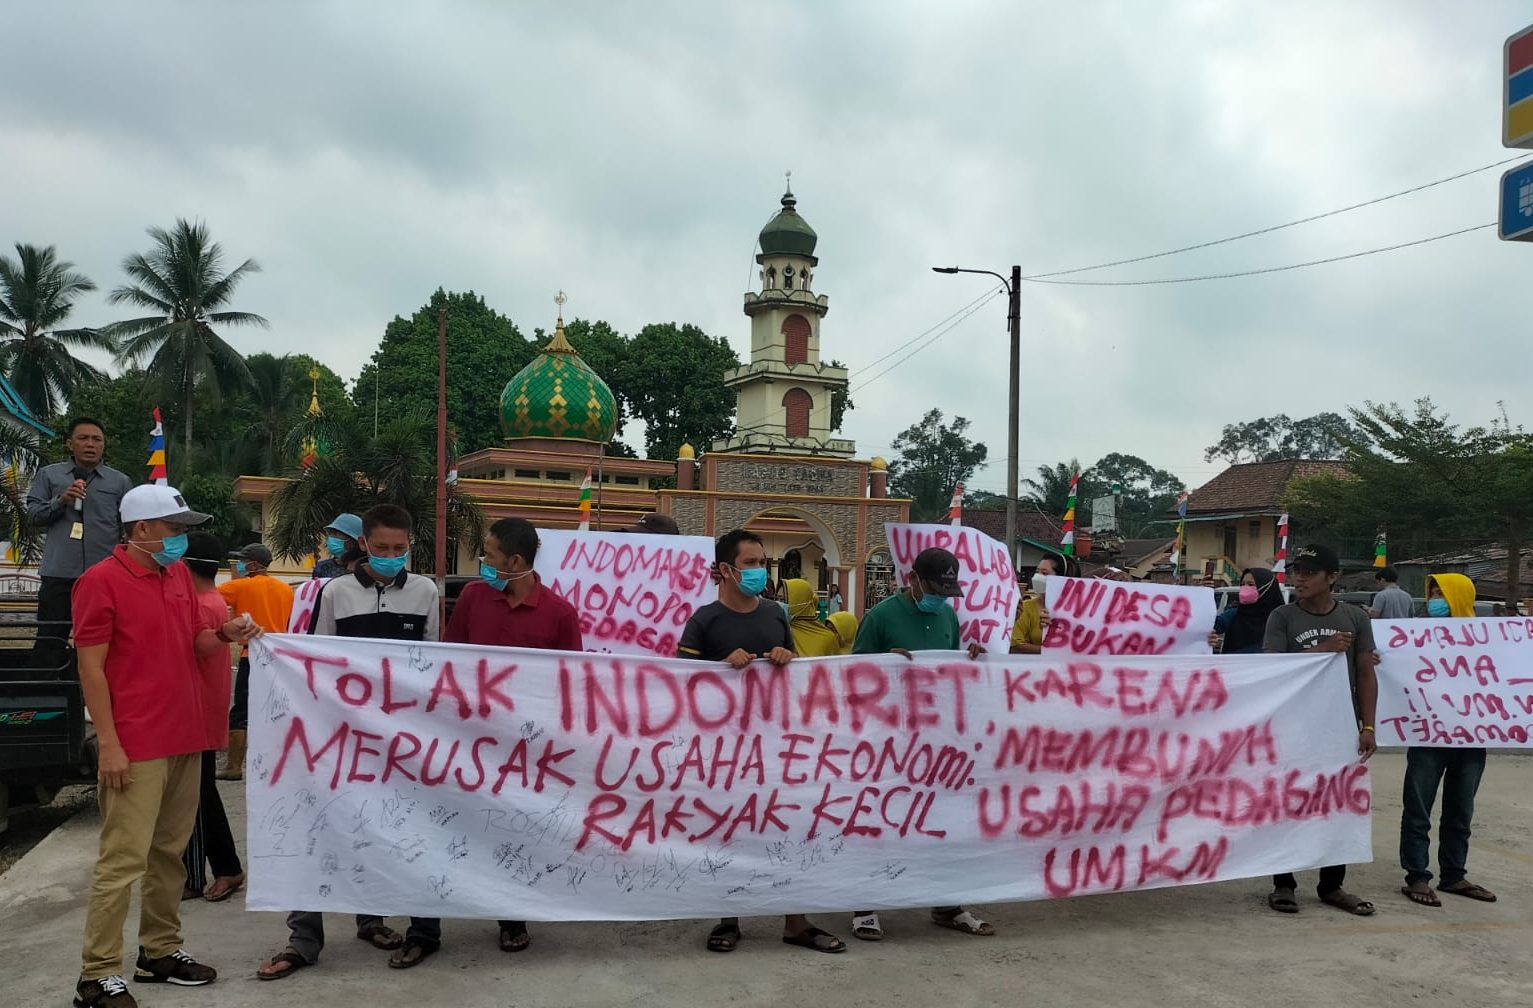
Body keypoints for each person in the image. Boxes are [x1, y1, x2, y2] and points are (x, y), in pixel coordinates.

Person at [70, 484, 261, 1008]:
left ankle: (159, 952)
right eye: (174, 528)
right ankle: (97, 974)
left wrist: (226, 633)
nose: (182, 538)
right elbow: (90, 667)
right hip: (135, 742)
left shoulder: (176, 575)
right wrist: (107, 743)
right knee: (123, 859)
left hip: (185, 736)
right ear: (141, 530)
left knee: (169, 855)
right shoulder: (99, 582)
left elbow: (194, 644)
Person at [257, 505, 443, 980]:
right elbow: (316, 660)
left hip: (404, 737)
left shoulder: (426, 592)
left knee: (411, 827)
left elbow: (434, 664)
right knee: (318, 823)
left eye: (400, 549)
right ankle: (304, 939)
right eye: (381, 548)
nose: (390, 557)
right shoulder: (335, 592)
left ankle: (415, 927)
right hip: (340, 733)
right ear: (364, 544)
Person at [676, 529, 845, 955]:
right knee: (728, 831)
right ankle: (729, 919)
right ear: (726, 570)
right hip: (723, 751)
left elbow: (794, 672)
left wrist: (786, 658)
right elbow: (679, 684)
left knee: (787, 826)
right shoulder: (703, 621)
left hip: (777, 745)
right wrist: (719, 665)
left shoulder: (776, 614)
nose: (758, 571)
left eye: (761, 564)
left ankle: (796, 922)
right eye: (750, 563)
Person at [444, 516, 582, 954]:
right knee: (473, 823)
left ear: (515, 560)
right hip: (476, 739)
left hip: (531, 747)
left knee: (521, 827)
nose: (483, 561)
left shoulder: (560, 614)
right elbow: (449, 658)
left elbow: (571, 683)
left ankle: (513, 912)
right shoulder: (471, 598)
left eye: (489, 554)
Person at [850, 548, 990, 941]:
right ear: (913, 579)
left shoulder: (947, 614)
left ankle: (947, 904)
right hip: (887, 741)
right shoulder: (880, 617)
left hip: (937, 740)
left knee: (943, 820)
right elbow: (851, 674)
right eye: (934, 588)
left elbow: (950, 668)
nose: (941, 597)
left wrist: (970, 657)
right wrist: (883, 665)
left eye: (948, 590)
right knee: (878, 820)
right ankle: (865, 905)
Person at [1262, 543, 1379, 916]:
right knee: (1289, 800)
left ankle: (1332, 884)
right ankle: (1284, 883)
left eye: (1310, 572)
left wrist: (1369, 725)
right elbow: (1271, 668)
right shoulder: (1282, 616)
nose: (1300, 578)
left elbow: (1365, 672)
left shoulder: (1355, 618)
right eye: (1297, 571)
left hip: (1338, 725)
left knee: (1337, 802)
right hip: (1293, 725)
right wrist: (1324, 649)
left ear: (1333, 577)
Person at [1400, 573, 1497, 907]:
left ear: (1460, 595)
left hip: (1471, 737)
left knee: (1460, 810)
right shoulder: (1416, 635)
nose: (1435, 599)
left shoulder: (1489, 639)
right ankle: (1417, 875)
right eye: (1431, 592)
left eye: (1441, 592)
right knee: (1417, 809)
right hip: (1427, 735)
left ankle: (1454, 875)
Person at [25, 417, 134, 674]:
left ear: (104, 446)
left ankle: (97, 699)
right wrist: (60, 500)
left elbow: (129, 528)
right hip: (58, 575)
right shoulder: (48, 475)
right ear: (69, 444)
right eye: (83, 438)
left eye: (97, 439)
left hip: (104, 578)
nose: (90, 444)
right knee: (50, 640)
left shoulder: (119, 482)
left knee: (104, 642)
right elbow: (32, 516)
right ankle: (46, 700)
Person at [178, 531, 245, 904]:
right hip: (205, 708)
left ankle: (201, 874)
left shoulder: (200, 606)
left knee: (196, 795)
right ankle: (221, 868)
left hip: (196, 712)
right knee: (198, 792)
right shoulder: (213, 600)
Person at [214, 543, 294, 782]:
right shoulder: (284, 589)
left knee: (241, 711)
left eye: (242, 561)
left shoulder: (239, 586)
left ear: (252, 564)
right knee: (274, 711)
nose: (238, 564)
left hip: (252, 655)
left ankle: (234, 766)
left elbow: (208, 597)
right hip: (279, 657)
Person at [1209, 567, 1283, 654]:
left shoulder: (1279, 619)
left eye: (1250, 584)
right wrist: (1202, 592)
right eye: (1243, 584)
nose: (1245, 588)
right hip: (1234, 666)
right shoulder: (1233, 614)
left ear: (1266, 588)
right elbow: (1205, 626)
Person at [1010, 553, 1067, 655]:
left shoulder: (1071, 611)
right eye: (1037, 571)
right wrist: (1051, 651)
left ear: (1059, 578)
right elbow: (1015, 646)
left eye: (1044, 573)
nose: (1037, 576)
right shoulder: (1026, 607)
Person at [784, 578, 839, 657]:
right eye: (778, 598)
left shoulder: (827, 638)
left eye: (785, 600)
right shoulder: (777, 631)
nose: (780, 603)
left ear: (801, 601)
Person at [311, 512, 363, 580]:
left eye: (336, 533)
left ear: (353, 540)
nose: (332, 537)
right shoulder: (322, 568)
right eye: (330, 533)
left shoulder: (367, 567)